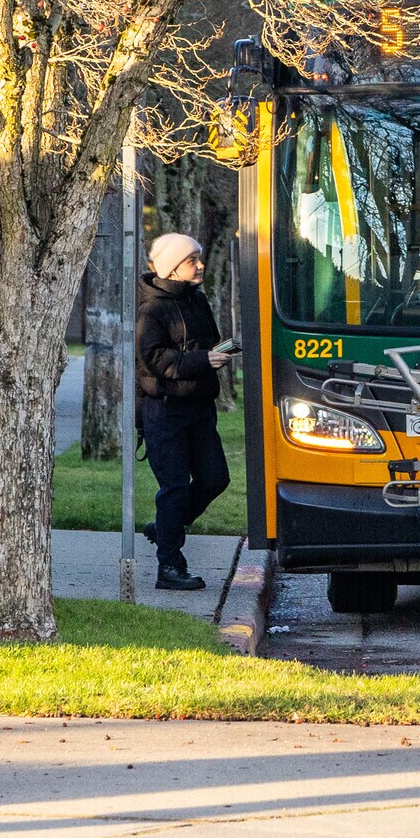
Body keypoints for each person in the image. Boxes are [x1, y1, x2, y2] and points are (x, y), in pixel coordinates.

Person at [136, 232, 233, 591]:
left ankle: (165, 528)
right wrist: (202, 360)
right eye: (192, 260)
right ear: (172, 268)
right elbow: (154, 359)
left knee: (215, 479)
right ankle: (170, 568)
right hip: (165, 410)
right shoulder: (152, 309)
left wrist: (222, 351)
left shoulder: (198, 299)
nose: (200, 265)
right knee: (175, 488)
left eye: (199, 257)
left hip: (199, 407)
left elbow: (206, 342)